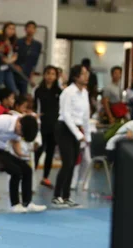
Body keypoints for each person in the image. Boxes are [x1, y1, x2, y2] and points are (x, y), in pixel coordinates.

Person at [0, 113, 46, 213]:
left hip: (3, 151)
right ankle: (15, 204)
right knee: (16, 171)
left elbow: (15, 142)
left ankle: (27, 203)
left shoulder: (20, 127)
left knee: (27, 169)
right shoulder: (3, 120)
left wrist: (21, 155)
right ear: (19, 125)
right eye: (21, 134)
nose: (19, 136)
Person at [52, 64, 90, 208]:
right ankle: (57, 195)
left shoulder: (84, 92)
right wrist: (78, 134)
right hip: (64, 128)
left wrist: (87, 136)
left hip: (77, 129)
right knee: (67, 162)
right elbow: (66, 115)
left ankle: (66, 196)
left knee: (73, 163)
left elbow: (85, 116)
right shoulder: (68, 92)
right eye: (84, 73)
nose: (87, 76)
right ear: (76, 77)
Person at [33, 65, 61, 188]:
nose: (50, 76)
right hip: (42, 125)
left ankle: (45, 177)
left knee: (50, 152)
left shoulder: (59, 92)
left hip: (54, 125)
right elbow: (35, 107)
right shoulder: (38, 90)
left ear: (56, 76)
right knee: (38, 151)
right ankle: (32, 173)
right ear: (44, 75)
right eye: (48, 73)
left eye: (53, 74)